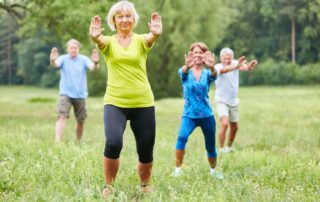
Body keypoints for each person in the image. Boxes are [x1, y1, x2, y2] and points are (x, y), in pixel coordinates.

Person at [89, 0, 162, 196]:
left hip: (143, 102)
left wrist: (155, 33)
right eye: (120, 16)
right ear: (114, 20)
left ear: (134, 19)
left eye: (128, 16)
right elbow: (100, 42)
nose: (124, 19)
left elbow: (150, 38)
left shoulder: (140, 40)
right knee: (113, 142)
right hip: (115, 102)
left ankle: (145, 184)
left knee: (146, 146)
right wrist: (96, 38)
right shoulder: (109, 42)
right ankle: (109, 186)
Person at [173, 42, 243, 179]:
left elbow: (214, 74)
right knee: (181, 138)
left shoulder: (207, 73)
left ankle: (213, 170)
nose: (198, 55)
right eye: (195, 52)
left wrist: (211, 67)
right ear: (191, 54)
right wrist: (187, 65)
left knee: (210, 145)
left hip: (206, 115)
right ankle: (177, 170)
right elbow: (183, 71)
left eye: (201, 52)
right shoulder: (185, 72)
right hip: (189, 115)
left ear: (205, 55)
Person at [49, 39, 99, 143]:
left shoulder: (84, 59)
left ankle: (78, 141)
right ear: (68, 49)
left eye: (75, 48)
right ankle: (57, 142)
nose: (73, 50)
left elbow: (93, 68)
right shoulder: (63, 58)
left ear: (78, 49)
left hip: (80, 94)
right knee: (62, 116)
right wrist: (53, 59)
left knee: (81, 120)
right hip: (65, 93)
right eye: (71, 48)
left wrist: (95, 62)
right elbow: (55, 65)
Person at [214, 47, 257, 153]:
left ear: (232, 58)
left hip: (233, 101)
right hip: (221, 100)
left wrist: (249, 67)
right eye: (225, 58)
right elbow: (224, 71)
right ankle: (221, 148)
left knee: (235, 127)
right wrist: (237, 65)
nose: (227, 61)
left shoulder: (235, 63)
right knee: (224, 123)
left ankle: (228, 147)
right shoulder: (217, 67)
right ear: (221, 58)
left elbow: (243, 67)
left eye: (229, 58)